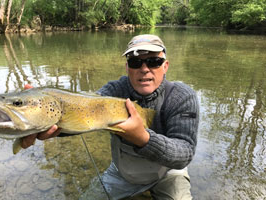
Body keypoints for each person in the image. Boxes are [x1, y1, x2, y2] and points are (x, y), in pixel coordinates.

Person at [22, 34, 199, 200]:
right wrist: (46, 121)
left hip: (169, 173)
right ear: (127, 67)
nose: (144, 69)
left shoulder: (182, 96)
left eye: (154, 62)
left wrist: (143, 139)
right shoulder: (115, 90)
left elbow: (184, 153)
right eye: (135, 62)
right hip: (123, 174)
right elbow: (83, 114)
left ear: (165, 66)